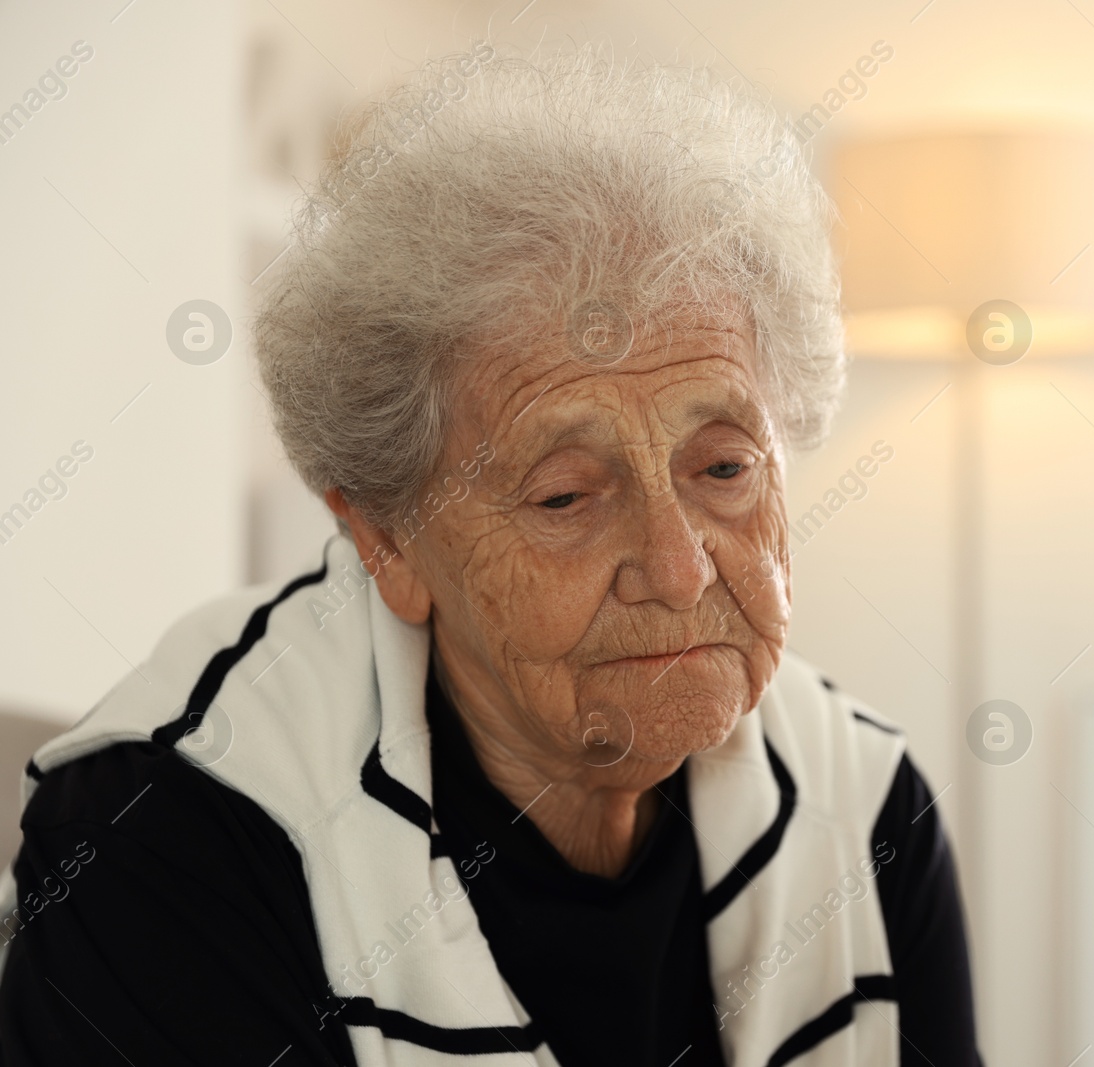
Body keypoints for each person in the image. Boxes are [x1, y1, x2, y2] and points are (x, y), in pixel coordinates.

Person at [0, 47, 981, 1066]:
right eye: (564, 494)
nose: (681, 569)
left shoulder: (864, 803)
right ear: (387, 538)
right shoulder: (170, 829)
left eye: (725, 467)